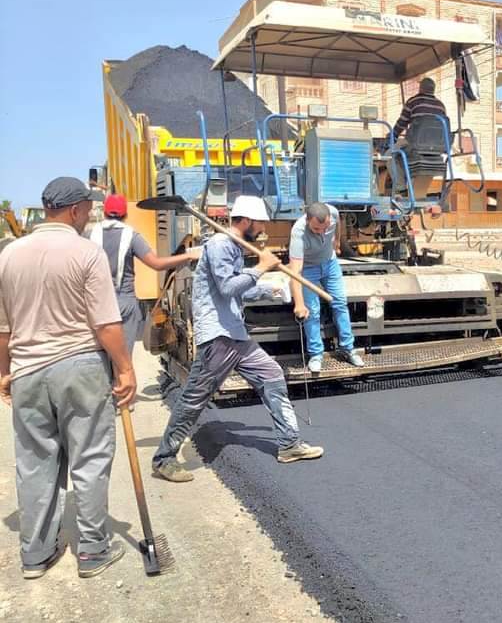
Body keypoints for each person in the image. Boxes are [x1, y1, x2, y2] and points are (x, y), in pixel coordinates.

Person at [0, 177, 136, 580]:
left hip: (27, 370)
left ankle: (36, 555)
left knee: (34, 463)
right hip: (80, 367)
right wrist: (125, 368)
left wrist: (4, 371)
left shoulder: (9, 254)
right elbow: (106, 323)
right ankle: (92, 550)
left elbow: (3, 328)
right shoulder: (86, 253)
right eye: (88, 209)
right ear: (75, 210)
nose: (89, 215)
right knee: (90, 457)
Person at [152, 195, 323, 482]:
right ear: (245, 220)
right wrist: (261, 267)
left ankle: (289, 443)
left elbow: (240, 290)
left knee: (271, 375)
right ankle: (164, 458)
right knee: (194, 399)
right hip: (217, 337)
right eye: (260, 223)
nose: (263, 229)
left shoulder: (234, 246)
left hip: (235, 334)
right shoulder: (220, 245)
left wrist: (269, 289)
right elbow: (228, 287)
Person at [90, 193, 200, 353]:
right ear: (125, 214)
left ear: (104, 213)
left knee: (101, 354)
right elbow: (157, 264)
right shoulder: (131, 236)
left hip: (98, 303)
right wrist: (188, 255)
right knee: (123, 357)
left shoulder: (90, 235)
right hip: (124, 304)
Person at [288, 202, 364, 374]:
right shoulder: (298, 233)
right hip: (308, 269)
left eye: (325, 228)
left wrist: (337, 241)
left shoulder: (333, 213)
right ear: (307, 221)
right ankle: (316, 355)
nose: (322, 232)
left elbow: (338, 225)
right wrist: (299, 304)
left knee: (340, 303)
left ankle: (348, 349)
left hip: (330, 264)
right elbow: (295, 272)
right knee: (312, 311)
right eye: (316, 229)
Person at [392, 77, 448, 142]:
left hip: (416, 142)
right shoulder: (441, 106)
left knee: (395, 147)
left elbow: (402, 122)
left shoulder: (413, 101)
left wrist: (393, 135)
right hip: (437, 142)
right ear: (433, 90)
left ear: (421, 88)